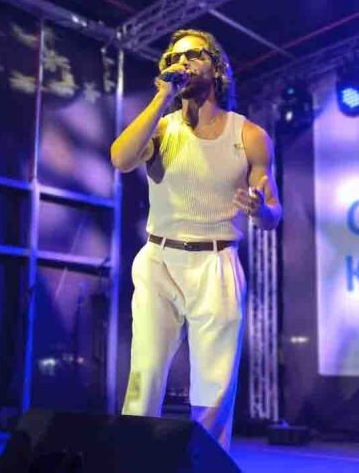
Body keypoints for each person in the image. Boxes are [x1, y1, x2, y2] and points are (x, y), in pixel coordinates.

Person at [110, 28, 282, 451]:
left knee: (213, 384)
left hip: (216, 262)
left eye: (193, 56)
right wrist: (161, 98)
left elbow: (273, 214)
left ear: (217, 68)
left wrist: (260, 209)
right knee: (145, 374)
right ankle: (129, 460)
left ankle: (204, 463)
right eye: (174, 58)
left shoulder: (249, 135)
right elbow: (121, 158)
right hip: (159, 260)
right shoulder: (161, 128)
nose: (181, 63)